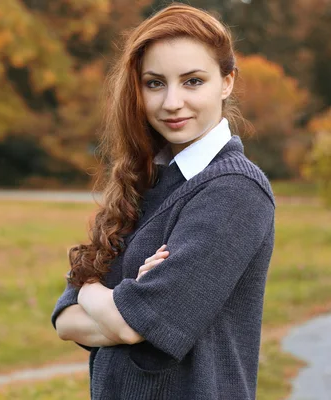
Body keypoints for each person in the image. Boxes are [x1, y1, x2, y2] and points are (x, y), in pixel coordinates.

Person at [51, 3, 275, 400]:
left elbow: (130, 327)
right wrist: (122, 296)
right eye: (155, 83)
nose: (172, 102)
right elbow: (66, 321)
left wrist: (91, 288)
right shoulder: (147, 180)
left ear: (226, 82)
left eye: (192, 81)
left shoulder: (235, 190)